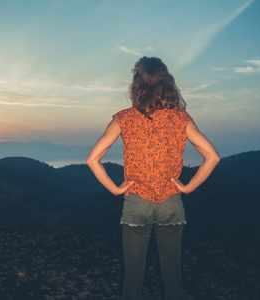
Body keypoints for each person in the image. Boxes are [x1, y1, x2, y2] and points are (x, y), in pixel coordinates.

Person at [86, 56, 220, 300]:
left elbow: (92, 159)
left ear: (137, 85)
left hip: (137, 202)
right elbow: (212, 156)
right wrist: (188, 187)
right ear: (166, 83)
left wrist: (116, 190)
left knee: (133, 280)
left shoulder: (123, 119)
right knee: (173, 279)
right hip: (171, 202)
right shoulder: (181, 118)